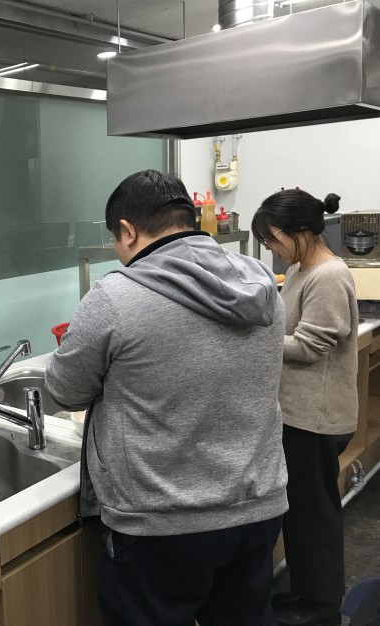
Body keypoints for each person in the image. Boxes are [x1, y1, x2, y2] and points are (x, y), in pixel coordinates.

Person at [45, 169, 288, 625]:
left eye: (116, 241)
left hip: (159, 523)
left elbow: (63, 391)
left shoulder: (115, 295)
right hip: (256, 508)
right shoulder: (260, 282)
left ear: (127, 230)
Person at [252, 188, 358, 626]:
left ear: (299, 231)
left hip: (315, 417)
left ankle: (320, 607)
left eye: (273, 239)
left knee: (314, 517)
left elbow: (312, 346)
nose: (272, 250)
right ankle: (305, 593)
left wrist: (255, 341)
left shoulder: (328, 275)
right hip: (298, 413)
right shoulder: (300, 269)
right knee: (298, 513)